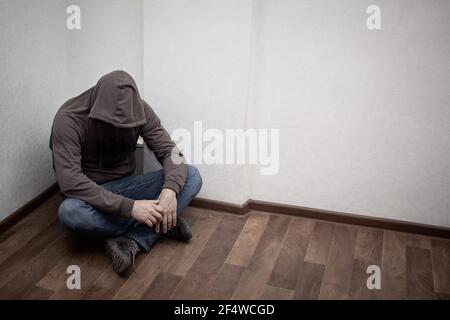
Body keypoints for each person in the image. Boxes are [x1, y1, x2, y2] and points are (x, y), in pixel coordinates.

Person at [49, 70, 202, 275]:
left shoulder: (139, 109)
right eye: (110, 124)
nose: (117, 130)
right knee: (70, 212)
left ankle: (133, 237)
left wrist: (169, 191)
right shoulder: (68, 120)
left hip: (129, 187)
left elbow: (171, 153)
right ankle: (161, 225)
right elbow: (70, 182)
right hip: (89, 196)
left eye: (124, 126)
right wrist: (130, 208)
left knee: (191, 176)